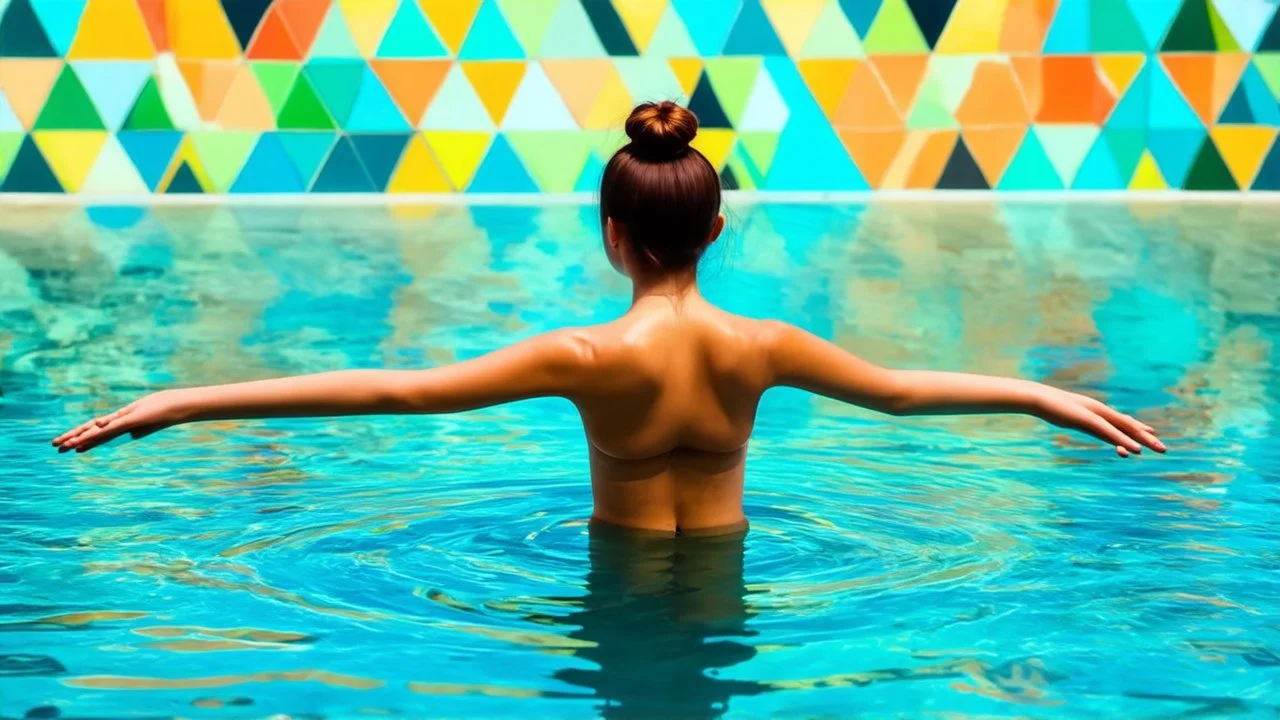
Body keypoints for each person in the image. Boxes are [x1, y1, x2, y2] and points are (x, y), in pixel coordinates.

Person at [52, 102, 1165, 536]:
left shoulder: (582, 357)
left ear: (610, 235)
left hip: (617, 589)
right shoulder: (760, 346)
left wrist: (182, 399)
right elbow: (907, 392)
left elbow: (392, 392)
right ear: (716, 234)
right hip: (732, 585)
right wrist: (1039, 393)